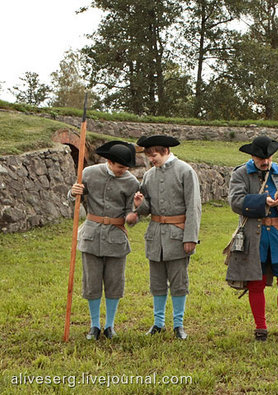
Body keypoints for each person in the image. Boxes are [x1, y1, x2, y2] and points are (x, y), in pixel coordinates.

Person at [226, 136, 278, 342]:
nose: (265, 161)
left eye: (269, 157)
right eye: (261, 157)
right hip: (255, 237)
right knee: (256, 283)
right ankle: (260, 328)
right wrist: (264, 201)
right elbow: (236, 202)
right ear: (252, 156)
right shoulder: (240, 174)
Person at [133, 135, 201, 340]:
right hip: (155, 237)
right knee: (157, 282)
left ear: (165, 151)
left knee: (179, 282)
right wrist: (139, 204)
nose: (151, 160)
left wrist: (190, 237)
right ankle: (158, 323)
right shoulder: (149, 175)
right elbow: (147, 209)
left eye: (153, 155)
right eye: (148, 156)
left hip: (178, 236)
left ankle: (178, 325)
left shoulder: (185, 171)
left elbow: (194, 206)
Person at [70, 141, 140, 340]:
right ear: (110, 161)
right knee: (91, 284)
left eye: (126, 168)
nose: (123, 171)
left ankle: (110, 326)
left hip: (116, 239)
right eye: (120, 167)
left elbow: (131, 215)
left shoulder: (132, 182)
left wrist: (133, 214)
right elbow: (74, 197)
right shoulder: (89, 173)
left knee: (114, 283)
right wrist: (73, 191)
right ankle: (94, 326)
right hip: (90, 236)